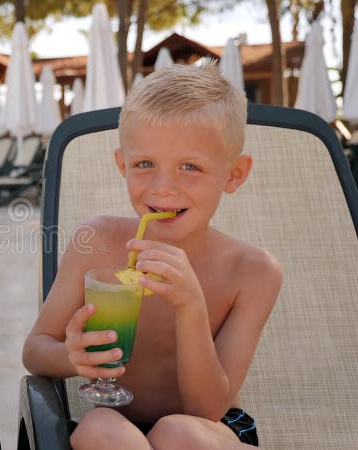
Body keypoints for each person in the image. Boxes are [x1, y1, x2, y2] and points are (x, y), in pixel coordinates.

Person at [21, 60, 282, 449]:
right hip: (116, 431)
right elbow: (35, 349)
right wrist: (71, 358)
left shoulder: (253, 272)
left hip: (207, 429)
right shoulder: (98, 240)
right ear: (121, 164)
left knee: (178, 432)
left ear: (234, 175)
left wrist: (190, 306)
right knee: (100, 427)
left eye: (190, 167)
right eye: (145, 164)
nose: (163, 188)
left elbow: (208, 408)